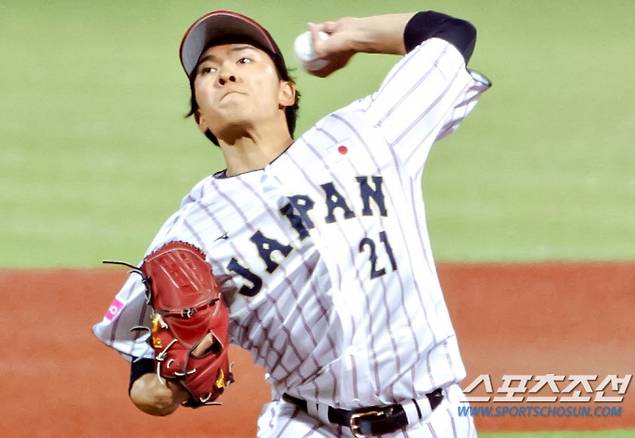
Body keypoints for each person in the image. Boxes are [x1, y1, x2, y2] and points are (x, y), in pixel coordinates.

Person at [93, 8, 490, 437]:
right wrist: (169, 385)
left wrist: (350, 36)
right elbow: (145, 379)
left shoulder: (367, 134)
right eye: (207, 71)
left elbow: (449, 34)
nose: (225, 74)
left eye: (244, 60)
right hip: (307, 425)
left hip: (433, 419)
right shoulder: (191, 233)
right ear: (202, 119)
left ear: (286, 92)